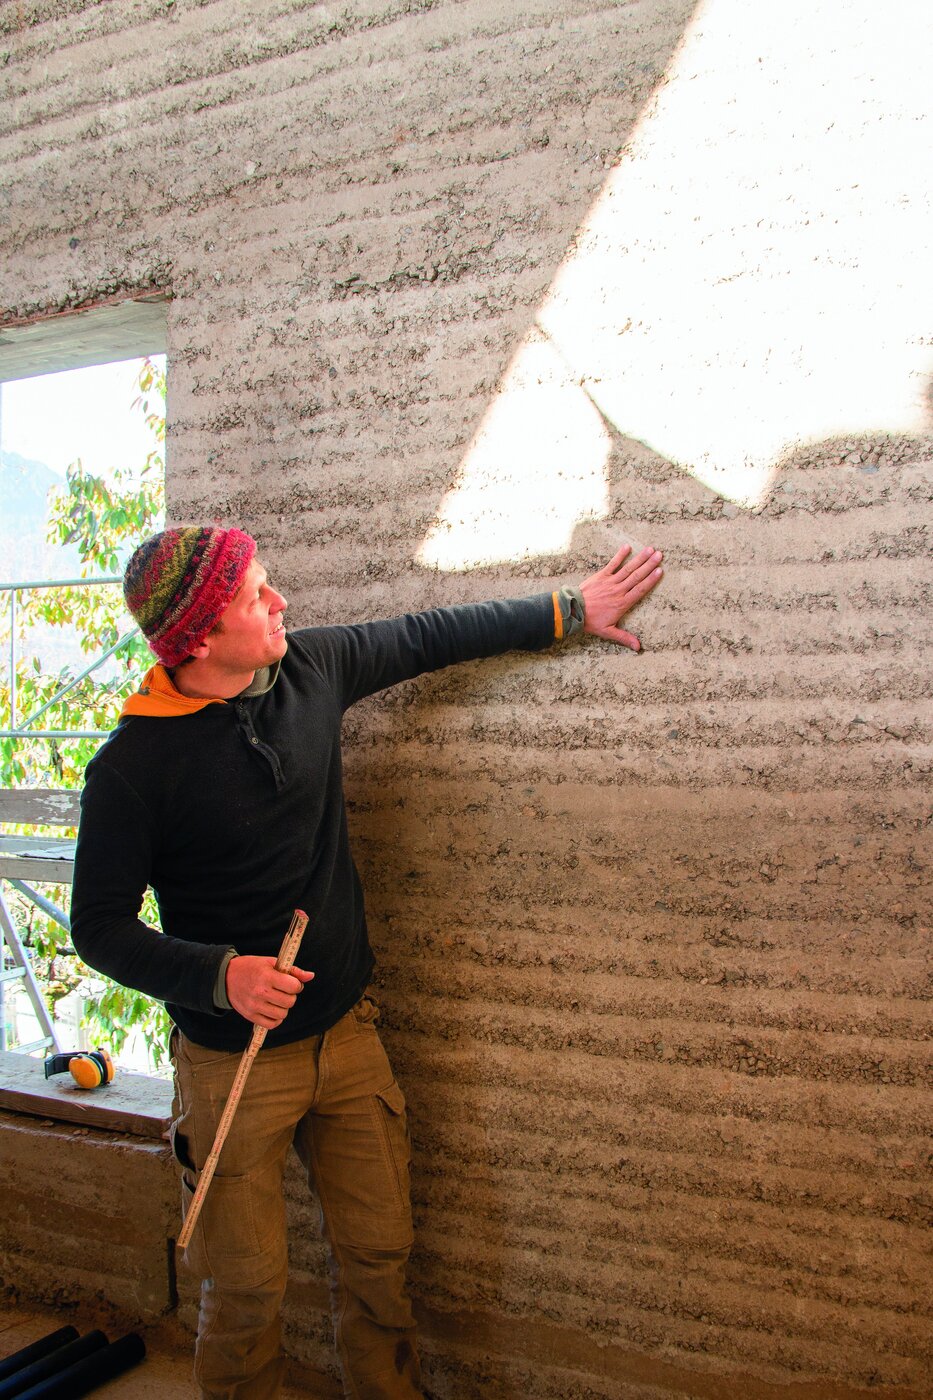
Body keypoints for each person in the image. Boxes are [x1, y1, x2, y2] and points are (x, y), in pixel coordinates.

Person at [70, 525, 663, 1400]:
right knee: (244, 1292)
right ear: (197, 639)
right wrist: (220, 976)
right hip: (232, 1063)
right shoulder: (131, 767)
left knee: (381, 1264)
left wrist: (572, 609)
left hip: (347, 1037)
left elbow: (428, 636)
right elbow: (98, 928)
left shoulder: (311, 668)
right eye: (255, 597)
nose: (280, 603)